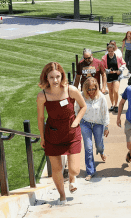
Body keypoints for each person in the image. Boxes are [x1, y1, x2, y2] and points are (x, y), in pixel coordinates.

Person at [37, 62, 87, 205]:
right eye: (51, 77)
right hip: (53, 134)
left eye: (58, 76)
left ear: (62, 76)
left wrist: (77, 121)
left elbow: (83, 106)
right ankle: (62, 196)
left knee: (75, 169)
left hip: (72, 132)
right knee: (56, 169)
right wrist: (42, 137)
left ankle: (72, 178)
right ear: (46, 78)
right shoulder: (42, 96)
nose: (55, 80)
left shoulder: (71, 90)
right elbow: (40, 118)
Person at [75, 77, 109, 181]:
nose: (91, 92)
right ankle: (90, 171)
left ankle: (101, 151)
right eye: (88, 89)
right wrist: (77, 122)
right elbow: (77, 109)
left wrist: (106, 126)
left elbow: (105, 111)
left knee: (98, 144)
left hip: (98, 124)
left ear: (97, 88)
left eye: (93, 89)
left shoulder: (101, 97)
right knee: (88, 147)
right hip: (85, 124)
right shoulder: (81, 96)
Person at [101, 44, 126, 113]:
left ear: (114, 50)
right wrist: (109, 71)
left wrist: (120, 70)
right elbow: (102, 68)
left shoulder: (118, 57)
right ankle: (112, 104)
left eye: (112, 51)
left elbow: (123, 63)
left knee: (115, 91)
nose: (110, 52)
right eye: (109, 51)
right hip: (109, 76)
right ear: (107, 51)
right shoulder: (104, 58)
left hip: (116, 76)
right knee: (110, 91)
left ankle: (116, 105)